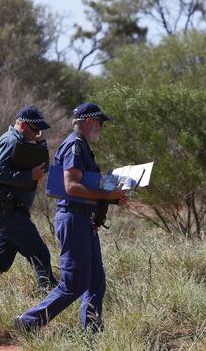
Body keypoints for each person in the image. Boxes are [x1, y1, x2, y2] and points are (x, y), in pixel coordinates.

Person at [15, 102, 127, 332]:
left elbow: (87, 184)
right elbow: (72, 187)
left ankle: (92, 336)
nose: (101, 128)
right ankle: (27, 322)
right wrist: (107, 193)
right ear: (88, 121)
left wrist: (113, 197)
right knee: (74, 284)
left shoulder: (82, 146)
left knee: (95, 282)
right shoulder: (75, 146)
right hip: (74, 219)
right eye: (99, 123)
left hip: (84, 220)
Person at [0, 106, 58, 296]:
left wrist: (40, 142)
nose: (37, 132)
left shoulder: (21, 142)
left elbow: (42, 164)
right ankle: (51, 298)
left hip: (9, 211)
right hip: (7, 212)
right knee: (40, 254)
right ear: (22, 124)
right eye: (35, 129)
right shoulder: (11, 140)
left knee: (0, 260)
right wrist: (30, 175)